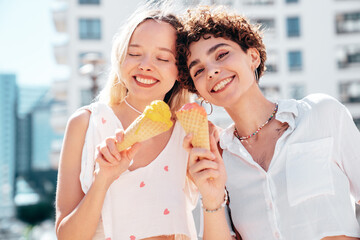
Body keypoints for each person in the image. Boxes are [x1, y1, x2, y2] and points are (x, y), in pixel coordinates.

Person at [176, 5, 360, 240]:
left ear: (253, 57)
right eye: (199, 70)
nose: (211, 71)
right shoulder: (218, 157)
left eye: (221, 55)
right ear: (200, 92)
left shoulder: (321, 114)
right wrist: (211, 198)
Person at [55, 7, 199, 240]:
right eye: (134, 53)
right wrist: (103, 179)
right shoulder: (86, 123)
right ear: (120, 57)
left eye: (162, 58)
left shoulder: (188, 133)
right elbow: (67, 236)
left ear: (180, 70)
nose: (145, 65)